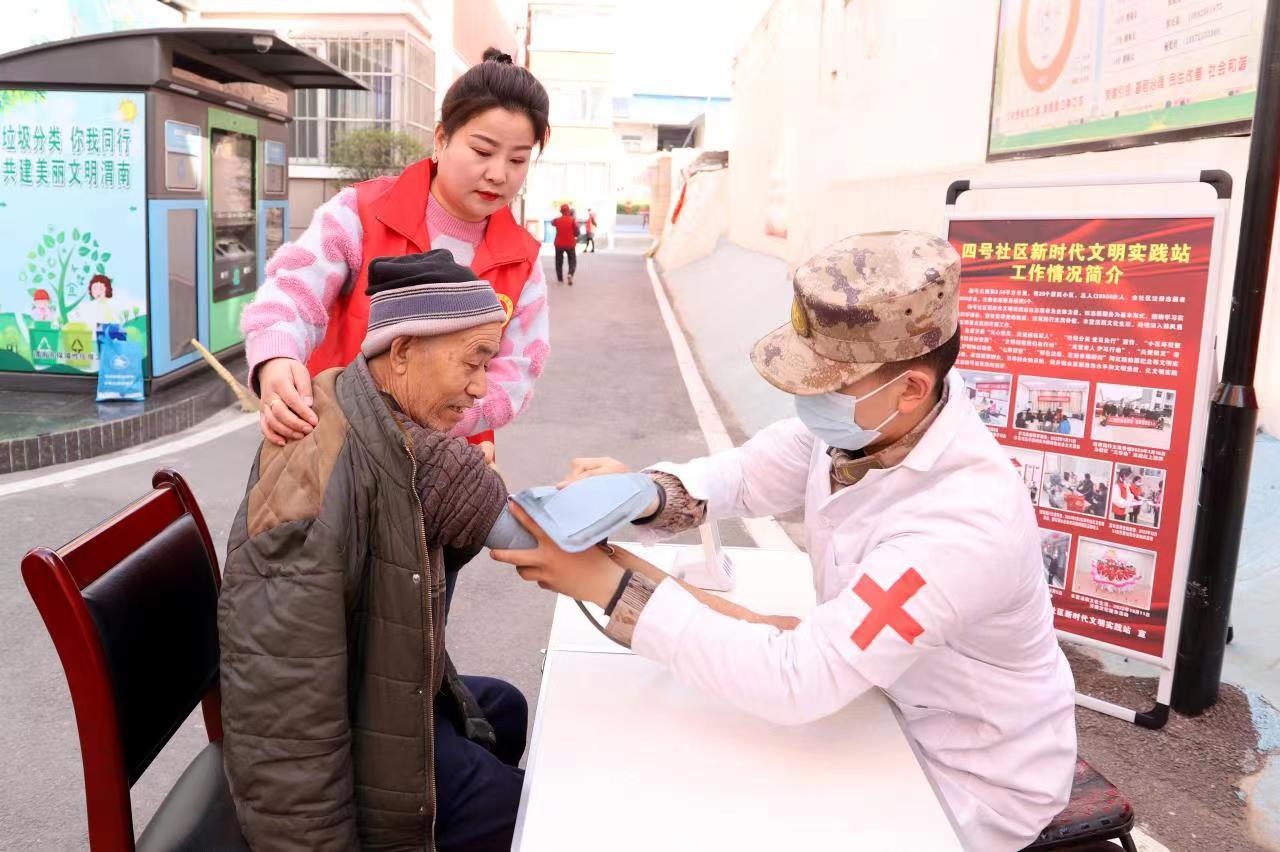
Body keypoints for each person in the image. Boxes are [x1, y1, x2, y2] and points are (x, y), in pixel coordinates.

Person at [492, 231, 1076, 851]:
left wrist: (611, 586)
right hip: (878, 704)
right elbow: (747, 474)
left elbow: (799, 680)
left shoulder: (962, 524)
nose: (809, 402)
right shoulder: (870, 429)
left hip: (964, 775)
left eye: (828, 385)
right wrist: (645, 492)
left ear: (910, 388)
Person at [219, 251, 530, 851]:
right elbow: (284, 704)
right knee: (527, 810)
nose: (480, 388)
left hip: (371, 689)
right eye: (474, 360)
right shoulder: (317, 474)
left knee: (506, 709)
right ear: (404, 349)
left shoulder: (377, 420)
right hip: (353, 747)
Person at [240, 48, 551, 454]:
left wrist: (443, 424)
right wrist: (276, 359)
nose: (498, 173)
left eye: (517, 160)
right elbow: (294, 292)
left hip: (444, 462)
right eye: (482, 151)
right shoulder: (361, 213)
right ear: (441, 139)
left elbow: (516, 373)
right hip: (331, 449)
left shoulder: (522, 263)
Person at [552, 203, 577, 285]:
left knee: (559, 261)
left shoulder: (557, 220)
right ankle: (570, 274)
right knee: (572, 260)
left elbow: (552, 222)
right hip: (570, 244)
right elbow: (577, 232)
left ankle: (560, 279)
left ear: (561, 211)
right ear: (568, 211)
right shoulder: (572, 220)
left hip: (559, 244)